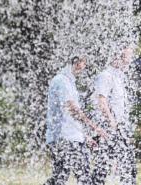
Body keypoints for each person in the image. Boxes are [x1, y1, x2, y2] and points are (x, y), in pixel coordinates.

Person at [44, 56, 107, 185]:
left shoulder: (69, 82)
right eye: (82, 64)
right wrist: (95, 127)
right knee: (80, 175)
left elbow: (70, 118)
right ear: (76, 63)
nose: (82, 68)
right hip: (64, 138)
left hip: (71, 137)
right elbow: (72, 109)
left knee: (61, 177)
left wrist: (85, 136)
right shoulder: (61, 81)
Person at [91, 48, 137, 185]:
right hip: (110, 126)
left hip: (119, 126)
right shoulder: (106, 76)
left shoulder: (119, 77)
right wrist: (111, 121)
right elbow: (101, 100)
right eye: (128, 58)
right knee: (105, 165)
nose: (130, 61)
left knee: (125, 164)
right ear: (118, 57)